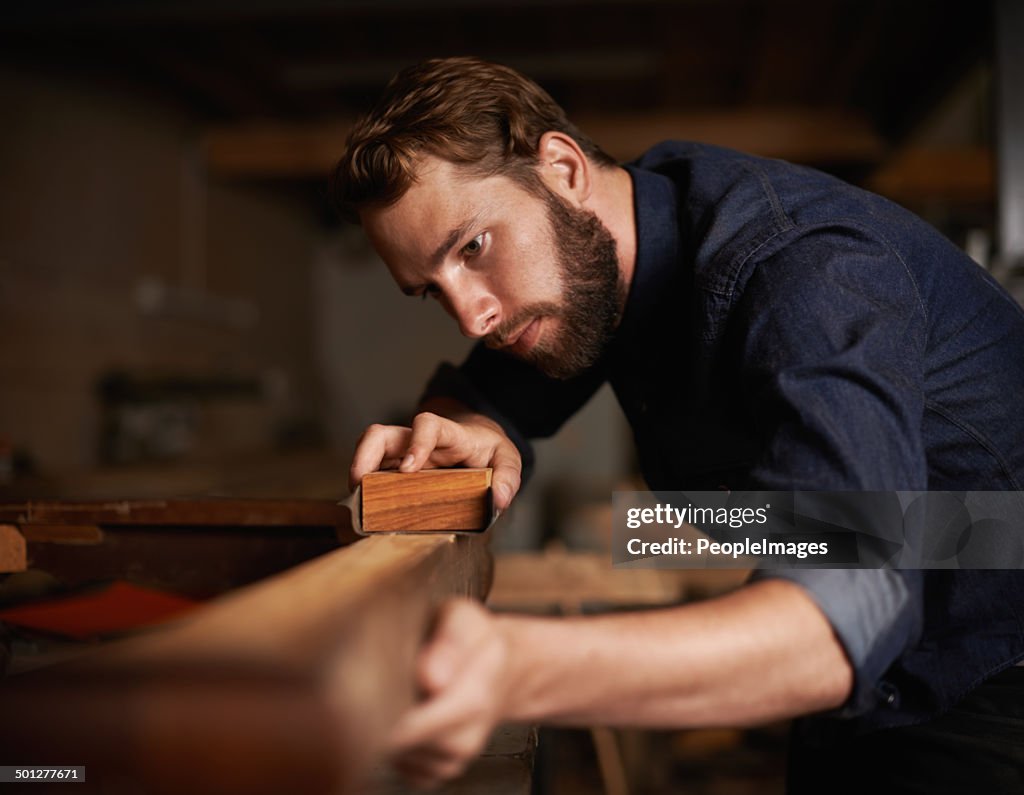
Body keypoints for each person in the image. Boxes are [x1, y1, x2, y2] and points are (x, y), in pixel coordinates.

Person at [331, 57, 1024, 793]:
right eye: (430, 291)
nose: (472, 314)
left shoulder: (806, 273)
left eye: (473, 248)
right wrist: (476, 424)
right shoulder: (614, 240)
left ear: (562, 168)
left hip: (990, 680)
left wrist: (519, 665)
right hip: (870, 663)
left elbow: (842, 610)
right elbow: (489, 393)